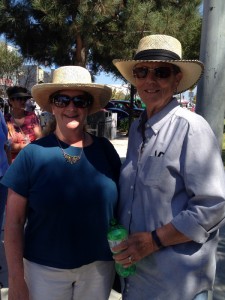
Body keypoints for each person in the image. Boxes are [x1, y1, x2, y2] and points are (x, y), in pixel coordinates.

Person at [111, 34, 225, 300]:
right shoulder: (139, 129)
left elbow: (214, 205)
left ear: (176, 80)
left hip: (176, 285)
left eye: (161, 72)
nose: (150, 80)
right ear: (135, 79)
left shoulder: (190, 128)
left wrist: (154, 240)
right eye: (142, 71)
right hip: (137, 279)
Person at [1, 66, 121, 300]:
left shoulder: (105, 151)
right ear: (52, 106)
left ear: (88, 107)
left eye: (80, 100)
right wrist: (15, 279)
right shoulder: (32, 155)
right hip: (43, 272)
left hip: (99, 269)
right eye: (62, 99)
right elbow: (13, 223)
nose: (71, 107)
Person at [5, 86, 42, 161]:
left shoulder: (31, 116)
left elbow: (40, 137)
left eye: (24, 99)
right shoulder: (6, 119)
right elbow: (8, 146)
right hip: (13, 164)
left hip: (32, 160)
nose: (23, 101)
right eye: (19, 98)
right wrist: (29, 146)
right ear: (10, 101)